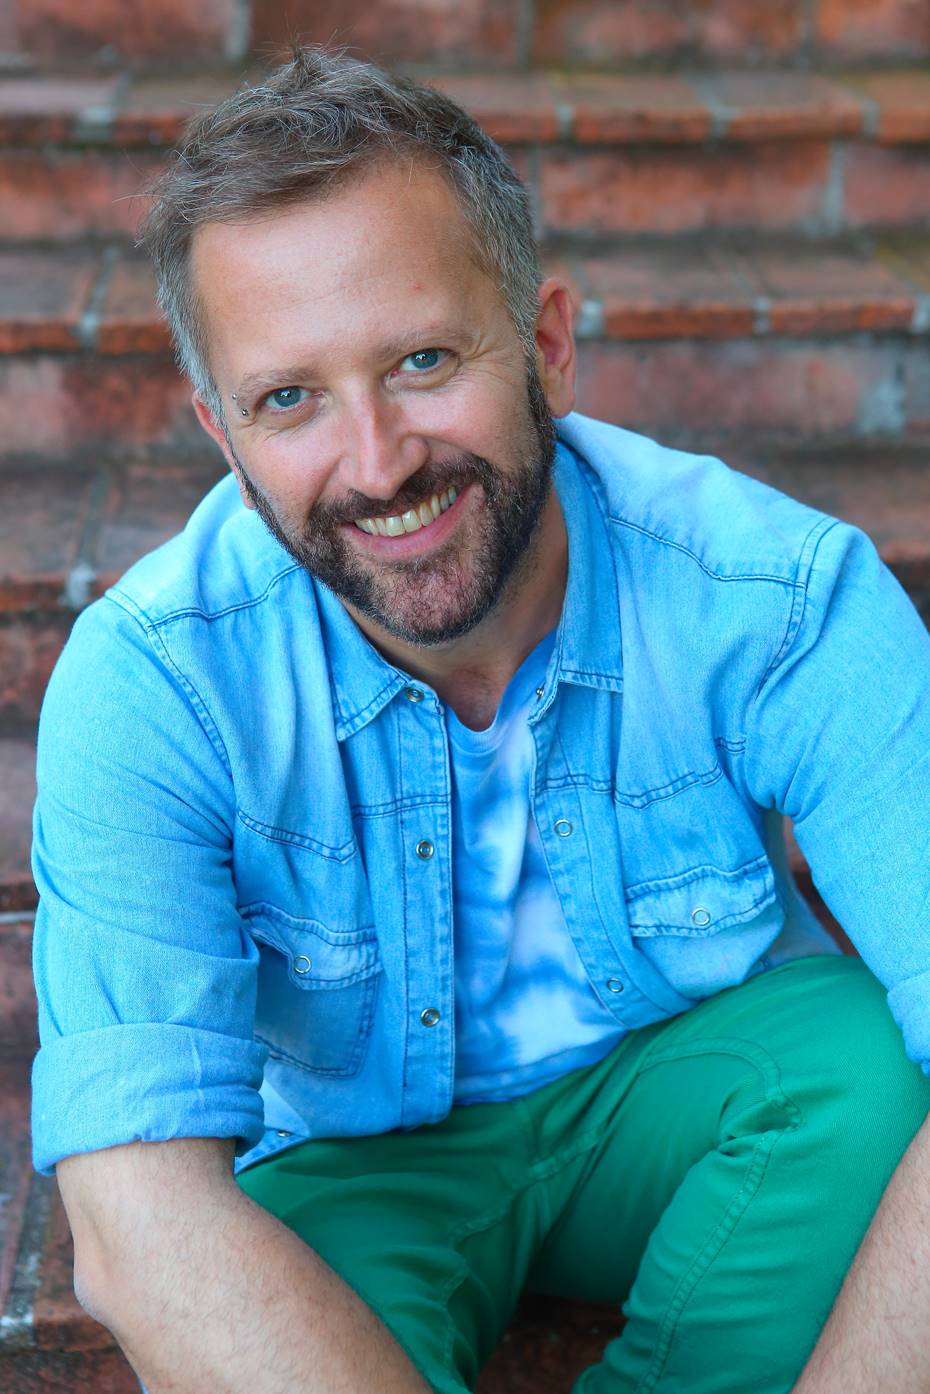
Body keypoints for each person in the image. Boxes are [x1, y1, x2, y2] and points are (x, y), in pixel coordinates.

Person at [30, 46, 930, 1394]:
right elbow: (134, 1218)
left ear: (547, 346)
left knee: (863, 1074)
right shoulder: (155, 682)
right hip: (353, 1166)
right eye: (290, 399)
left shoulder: (777, 600)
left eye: (422, 359)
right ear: (223, 432)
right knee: (231, 1284)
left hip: (686, 1094)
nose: (378, 461)